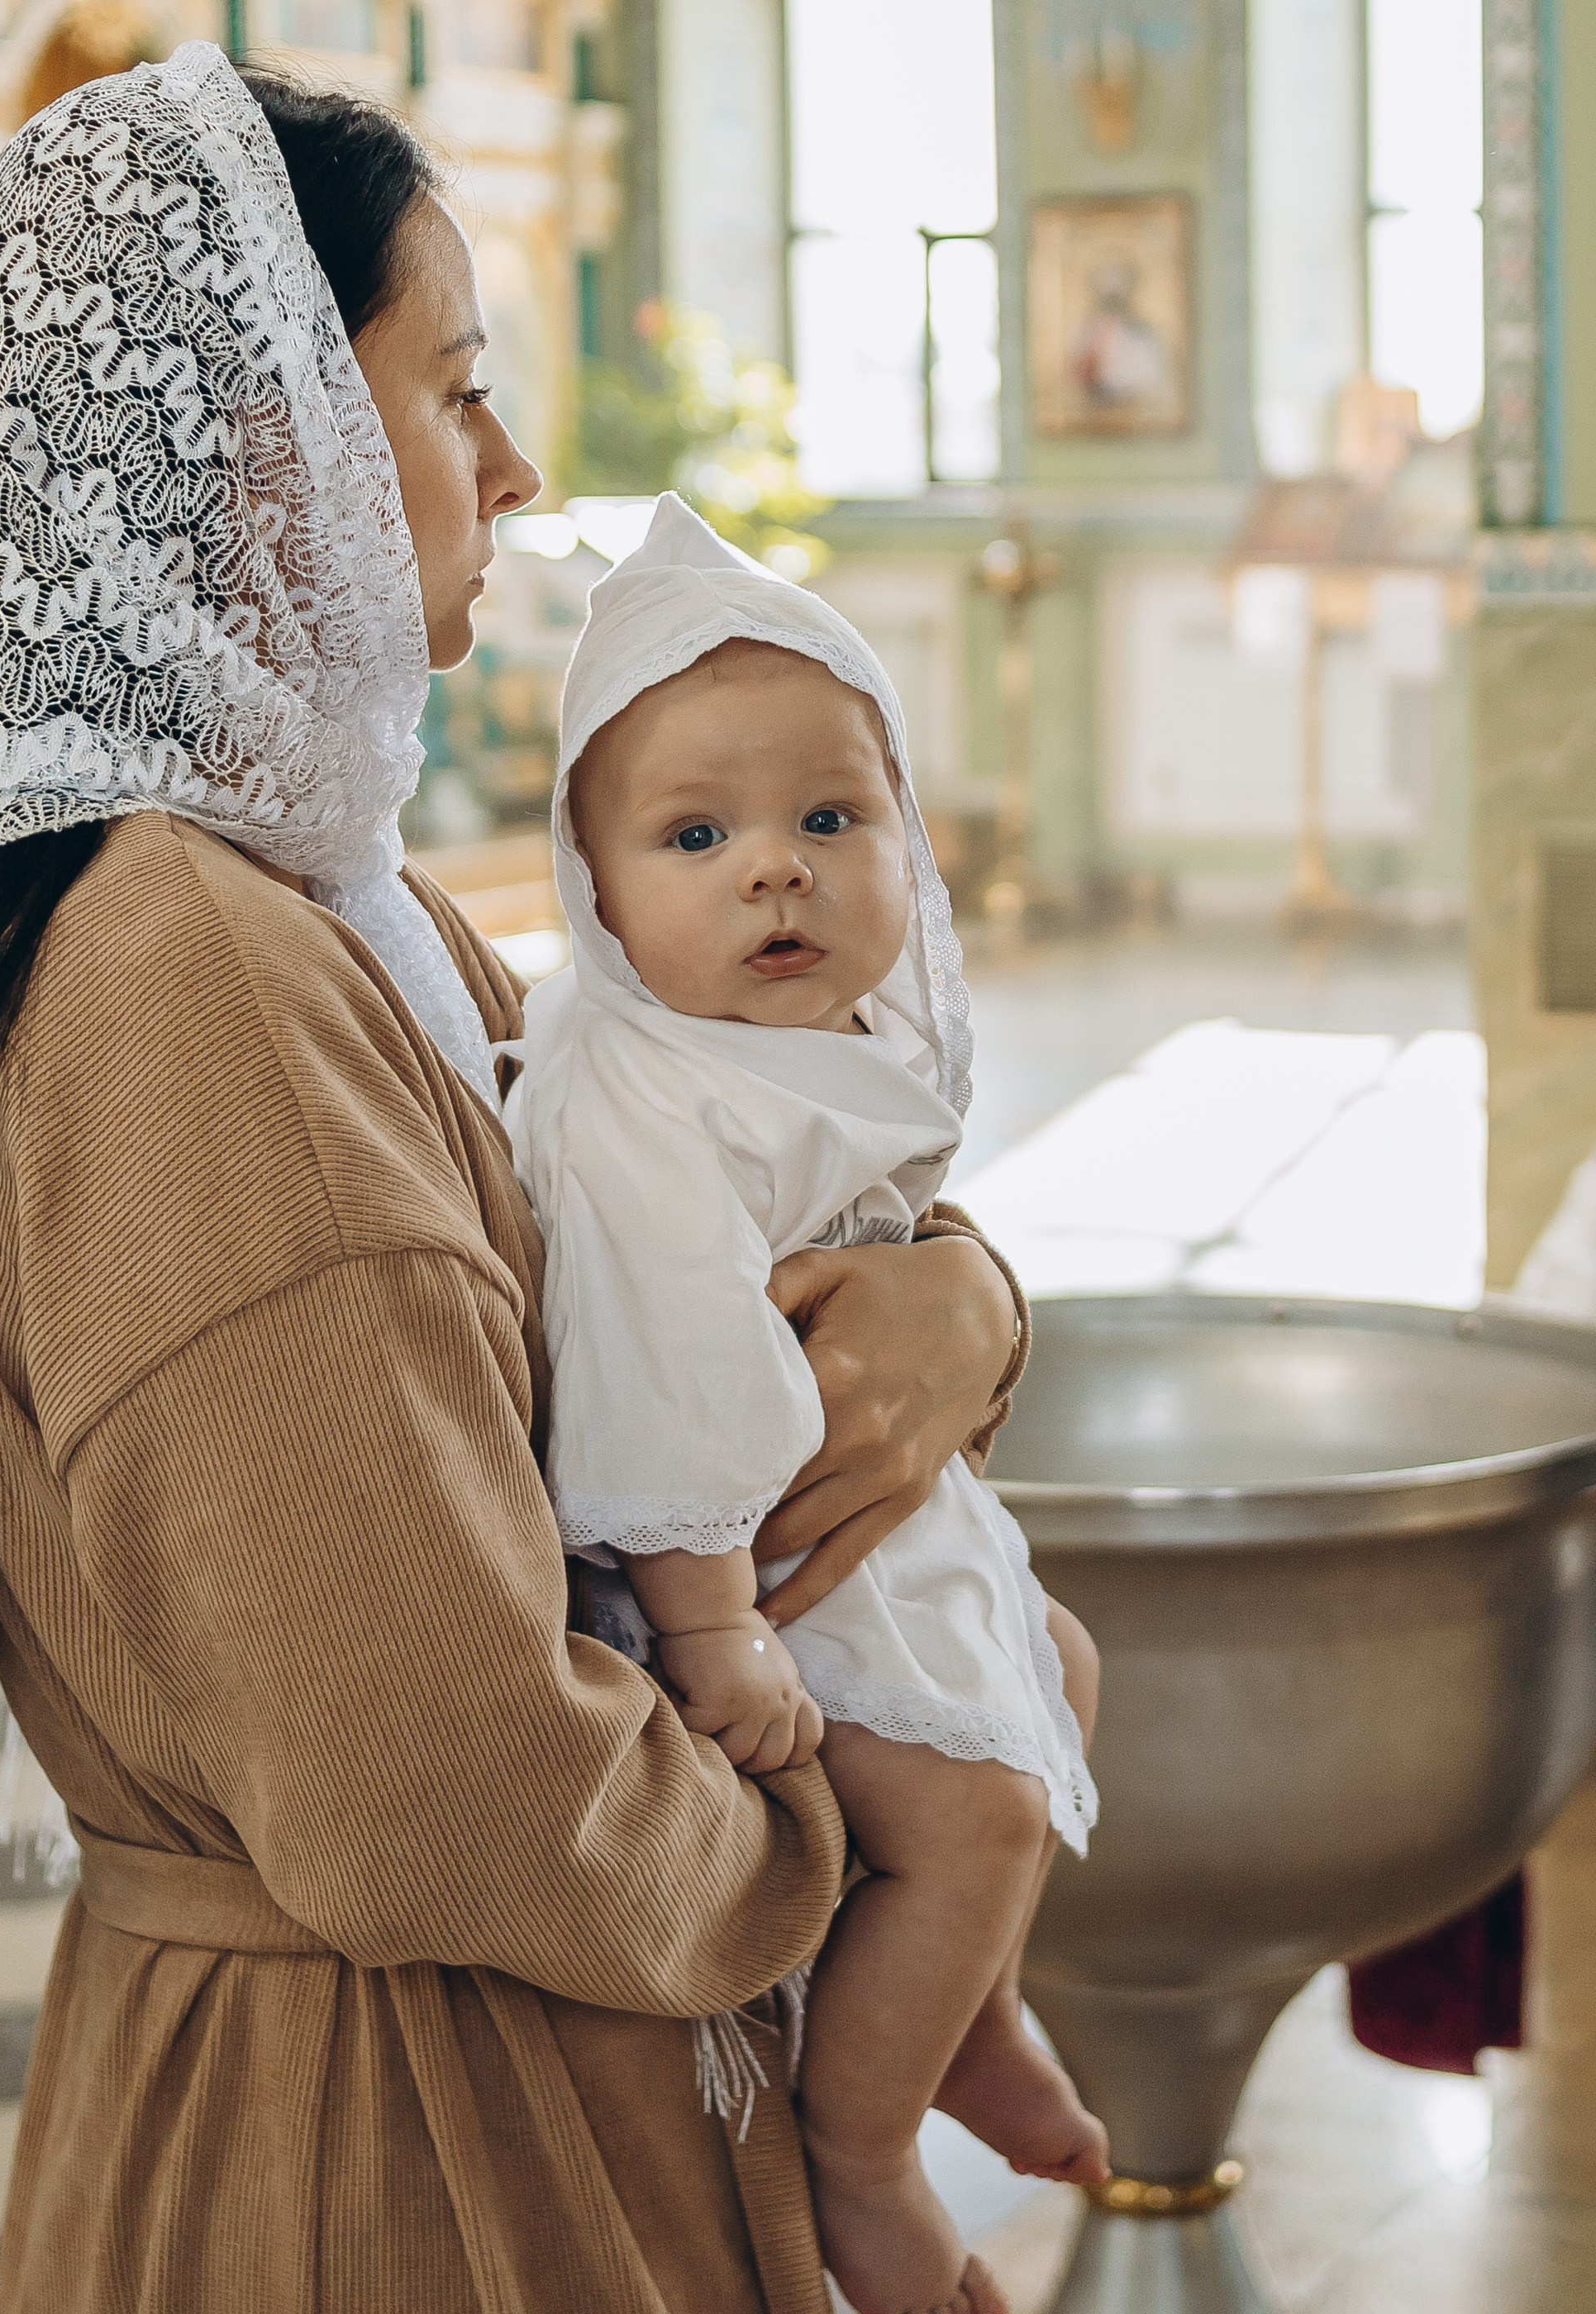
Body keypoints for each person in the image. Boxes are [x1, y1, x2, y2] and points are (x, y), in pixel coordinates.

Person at [0, 41, 1031, 2312]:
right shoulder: (184, 974)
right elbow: (438, 1778)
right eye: (458, 393)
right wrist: (856, 1829)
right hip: (406, 2136)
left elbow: (682, 1213)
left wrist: (967, 1310)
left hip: (464, 2056)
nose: (511, 473)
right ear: (263, 442)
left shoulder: (319, 897)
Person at [507, 497, 1106, 2314]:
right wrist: (711, 1635)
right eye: (698, 834)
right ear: (592, 885)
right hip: (737, 1573)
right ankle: (859, 2162)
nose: (777, 869)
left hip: (860, 1519)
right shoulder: (631, 1093)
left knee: (1066, 1670)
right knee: (986, 1812)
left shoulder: (806, 1041)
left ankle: (974, 2009)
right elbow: (656, 1364)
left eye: (830, 820)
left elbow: (899, 1241)